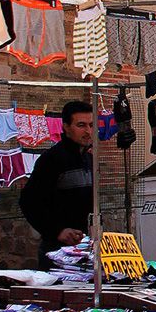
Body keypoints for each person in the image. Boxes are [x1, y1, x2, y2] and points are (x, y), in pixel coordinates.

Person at [20, 100, 95, 270]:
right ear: (67, 127)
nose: (88, 131)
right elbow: (28, 201)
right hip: (57, 251)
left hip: (84, 248)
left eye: (91, 125)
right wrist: (58, 231)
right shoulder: (52, 159)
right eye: (81, 125)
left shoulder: (89, 160)